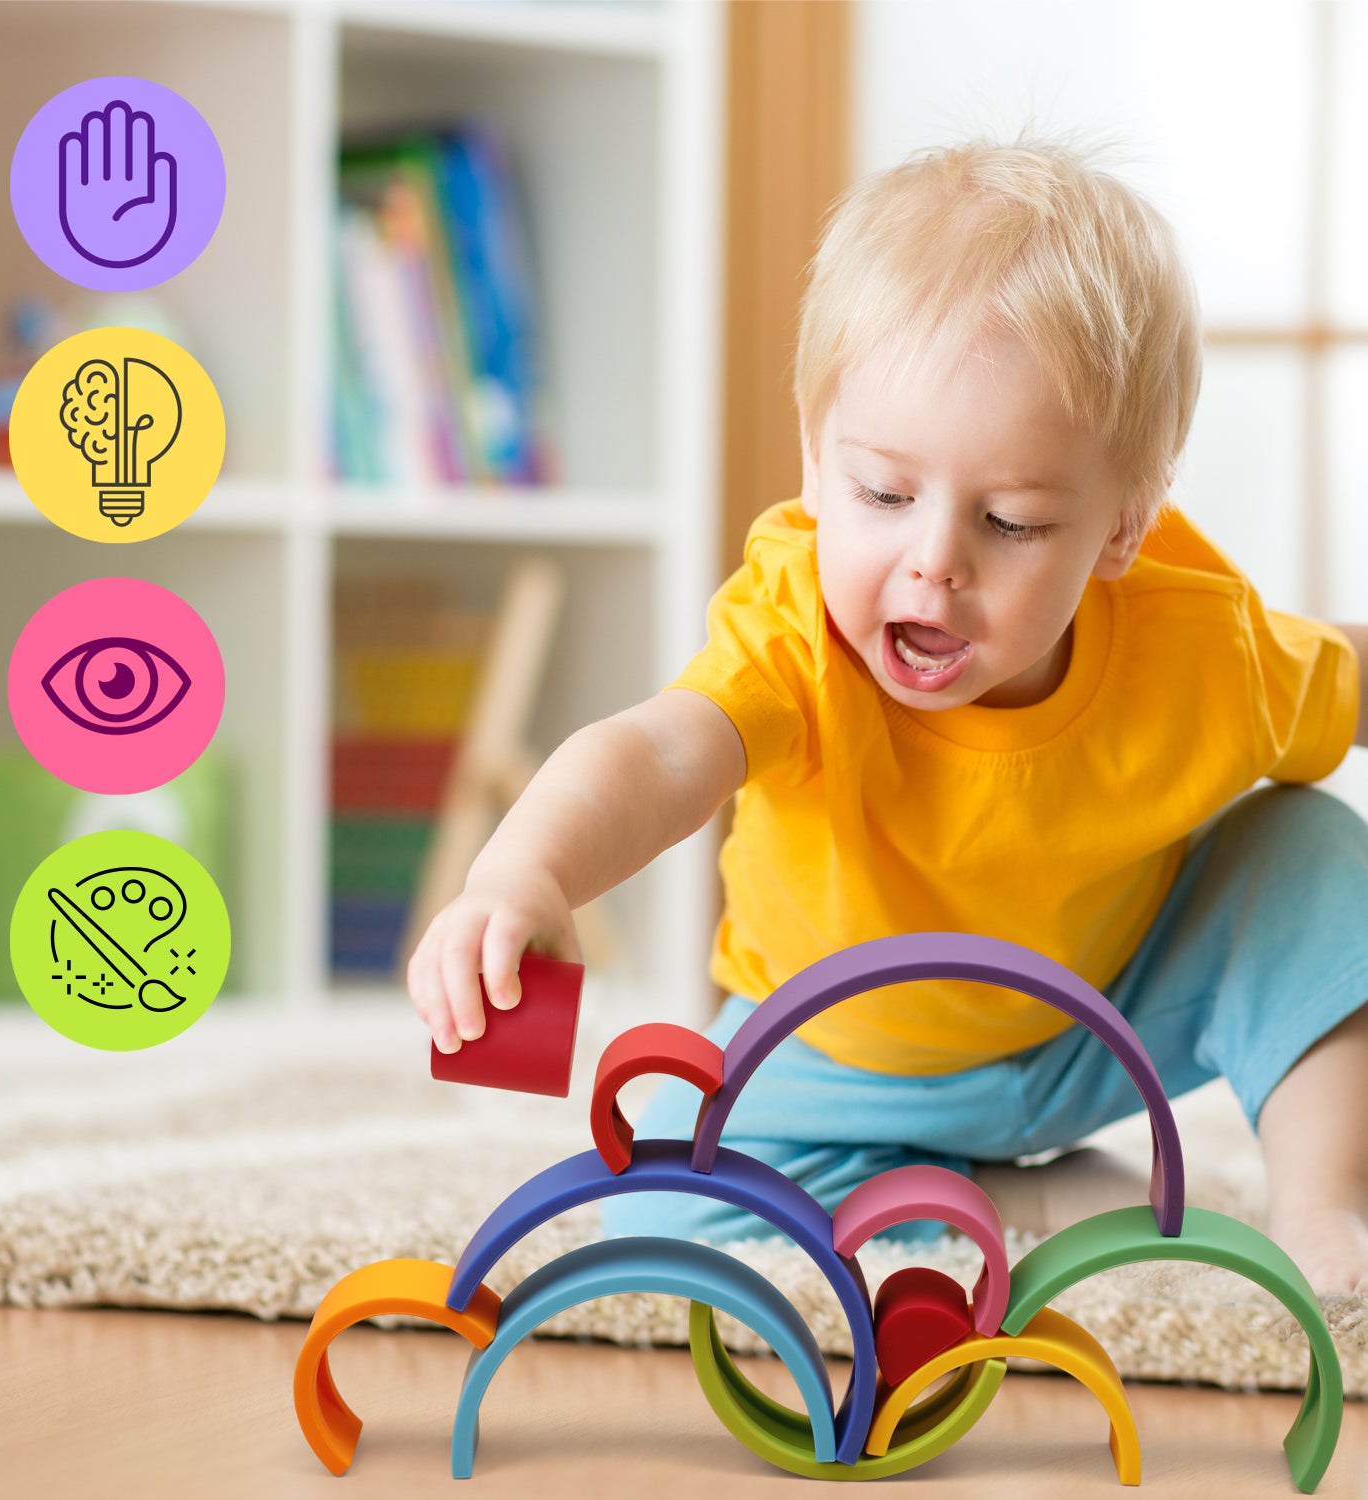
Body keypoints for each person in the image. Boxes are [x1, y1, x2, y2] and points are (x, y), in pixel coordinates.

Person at [406, 136, 1368, 1297]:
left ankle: (1326, 1211)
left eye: (1011, 521)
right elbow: (659, 748)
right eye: (883, 494)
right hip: (833, 1052)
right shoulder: (794, 630)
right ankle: (1017, 1196)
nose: (933, 563)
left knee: (1309, 852)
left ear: (1123, 528)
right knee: (650, 1216)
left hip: (1099, 1021)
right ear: (815, 468)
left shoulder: (1203, 648)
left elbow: (1347, 676)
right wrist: (525, 874)